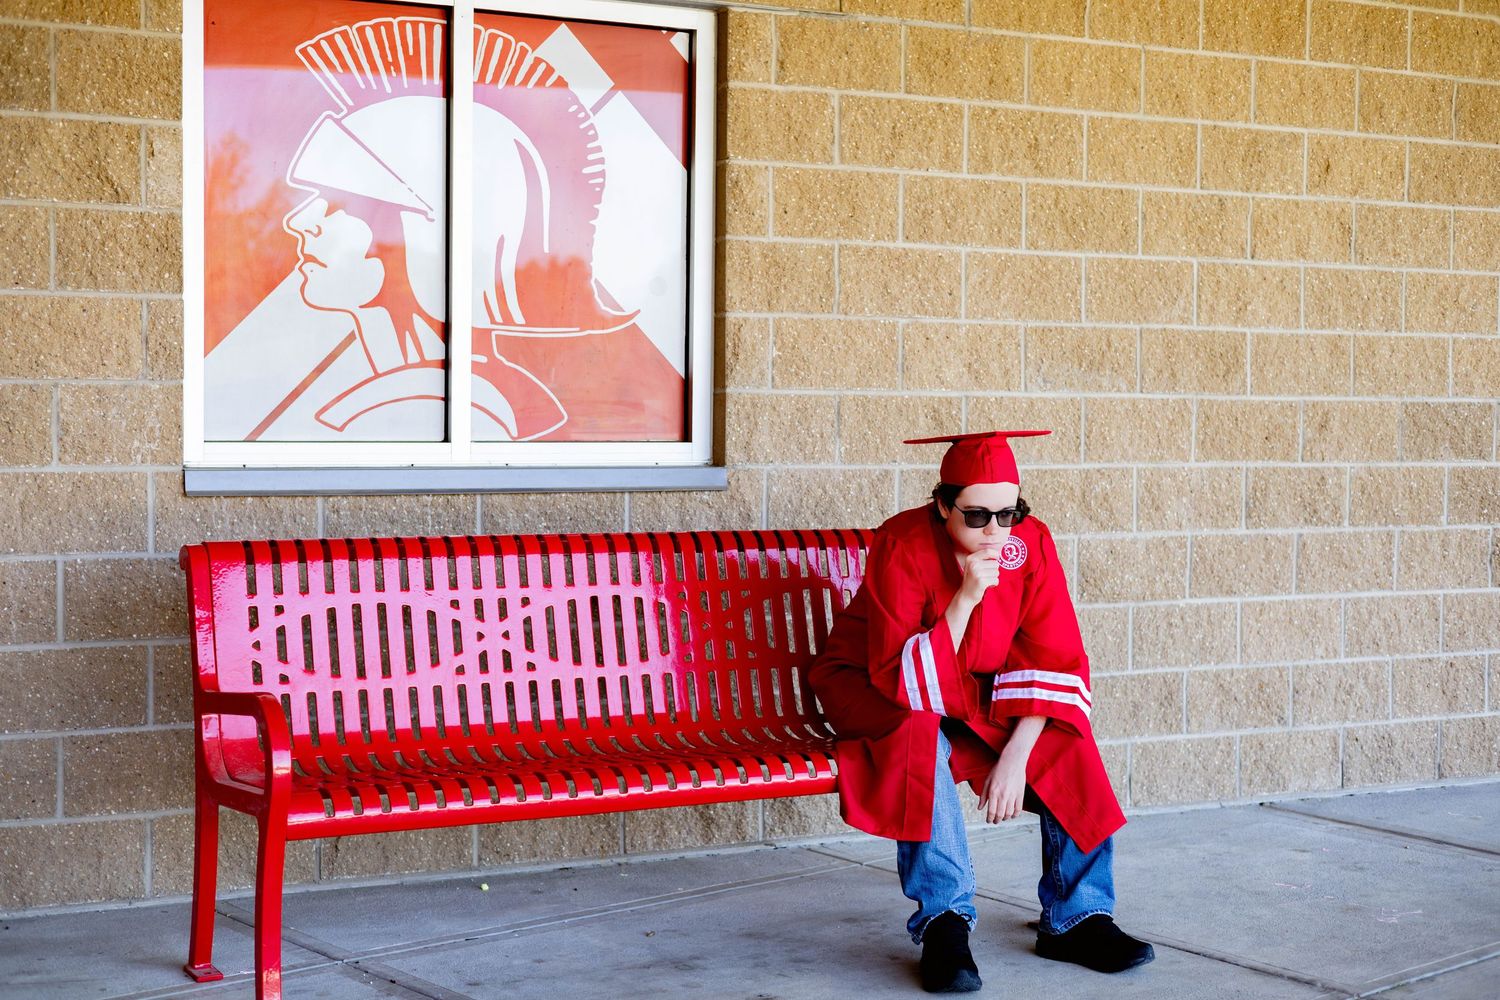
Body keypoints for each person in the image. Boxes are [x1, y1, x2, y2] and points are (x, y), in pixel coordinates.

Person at [808, 430, 1154, 993]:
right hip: (876, 682)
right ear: (942, 504)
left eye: (1008, 512)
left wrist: (1017, 756)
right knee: (919, 736)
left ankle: (1080, 916)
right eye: (975, 516)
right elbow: (902, 675)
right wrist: (965, 597)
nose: (995, 531)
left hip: (972, 684)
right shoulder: (902, 543)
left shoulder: (1031, 543)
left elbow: (1051, 655)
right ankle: (945, 922)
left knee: (1063, 739)